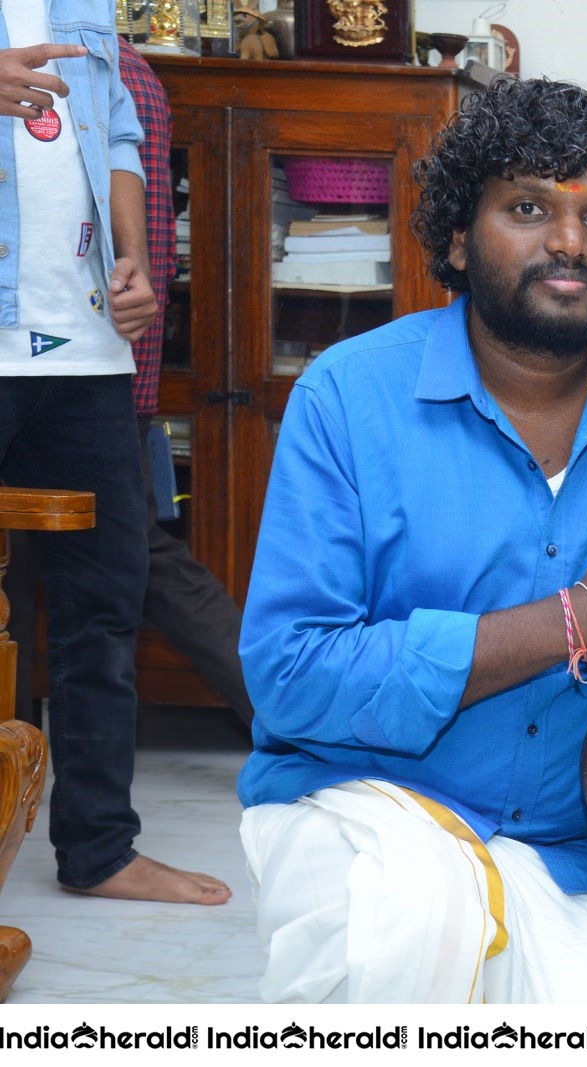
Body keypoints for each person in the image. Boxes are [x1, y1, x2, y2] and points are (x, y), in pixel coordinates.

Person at [237, 78, 587, 1004]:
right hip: (362, 803)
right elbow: (291, 674)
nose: (569, 241)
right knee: (408, 934)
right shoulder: (347, 397)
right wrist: (580, 616)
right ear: (460, 238)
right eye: (529, 208)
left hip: (578, 848)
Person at [0, 1, 230, 905]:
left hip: (87, 347)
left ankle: (99, 849)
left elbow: (123, 141)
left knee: (101, 607)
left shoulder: (87, 7)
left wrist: (134, 260)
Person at [117, 37, 255, 727]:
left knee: (136, 560)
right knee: (134, 559)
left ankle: (281, 711)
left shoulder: (94, 75)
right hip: (121, 374)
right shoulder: (135, 72)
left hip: (83, 374)